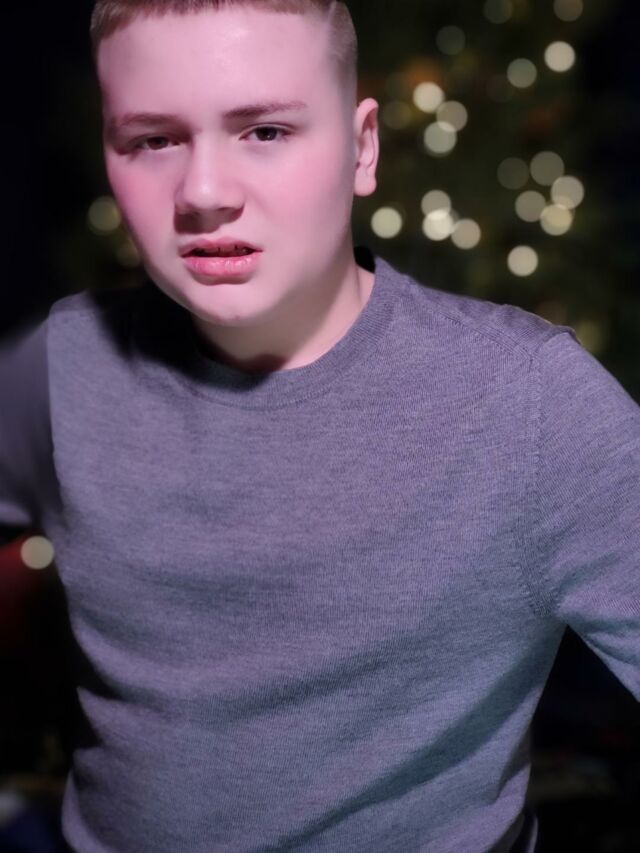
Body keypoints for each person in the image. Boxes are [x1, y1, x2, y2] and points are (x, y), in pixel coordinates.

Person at [0, 1, 637, 850]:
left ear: (362, 148)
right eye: (153, 140)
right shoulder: (62, 366)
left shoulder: (526, 401)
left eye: (264, 131)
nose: (205, 193)